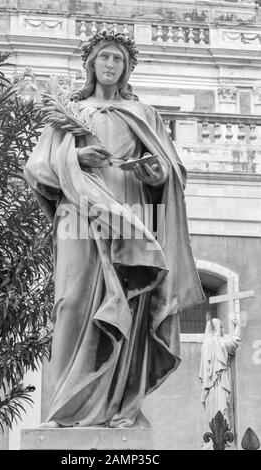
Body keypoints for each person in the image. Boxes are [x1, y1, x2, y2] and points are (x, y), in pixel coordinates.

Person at [24, 30, 205, 428]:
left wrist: (156, 173)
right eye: (103, 57)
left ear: (126, 68)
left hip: (132, 216)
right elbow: (37, 169)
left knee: (130, 300)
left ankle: (117, 404)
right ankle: (66, 409)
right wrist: (75, 155)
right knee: (71, 302)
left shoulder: (144, 114)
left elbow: (170, 170)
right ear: (91, 64)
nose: (110, 64)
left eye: (118, 59)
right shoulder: (69, 113)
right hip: (80, 216)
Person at [199, 316, 241, 434]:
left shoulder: (205, 346)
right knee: (222, 409)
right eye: (221, 326)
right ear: (216, 328)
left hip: (209, 389)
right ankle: (222, 439)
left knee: (213, 412)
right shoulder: (219, 343)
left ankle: (213, 438)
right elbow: (234, 342)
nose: (223, 329)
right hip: (220, 384)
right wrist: (238, 326)